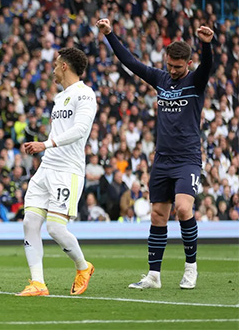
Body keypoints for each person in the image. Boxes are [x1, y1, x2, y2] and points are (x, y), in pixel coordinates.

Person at [97, 19, 214, 290]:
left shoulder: (196, 81)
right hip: (162, 160)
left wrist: (207, 45)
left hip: (187, 159)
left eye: (177, 66)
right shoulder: (160, 78)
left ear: (188, 63)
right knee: (157, 217)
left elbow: (207, 65)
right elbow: (131, 62)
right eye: (169, 65)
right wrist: (110, 35)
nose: (172, 70)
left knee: (184, 208)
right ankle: (153, 276)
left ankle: (190, 269)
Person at [16, 47, 97, 297]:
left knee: (55, 229)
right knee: (29, 222)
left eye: (55, 64)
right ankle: (38, 283)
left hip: (67, 170)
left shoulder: (85, 95)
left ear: (64, 66)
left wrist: (46, 144)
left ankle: (83, 267)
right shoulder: (60, 97)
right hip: (47, 168)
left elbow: (81, 129)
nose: (52, 69)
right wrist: (46, 147)